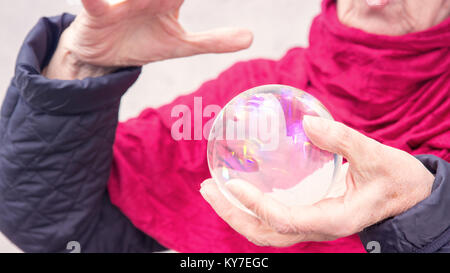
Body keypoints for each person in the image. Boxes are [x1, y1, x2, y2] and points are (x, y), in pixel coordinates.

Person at [0, 0, 449, 253]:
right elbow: (52, 227)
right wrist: (83, 65)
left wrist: (424, 213)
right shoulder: (252, 98)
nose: (374, 0)